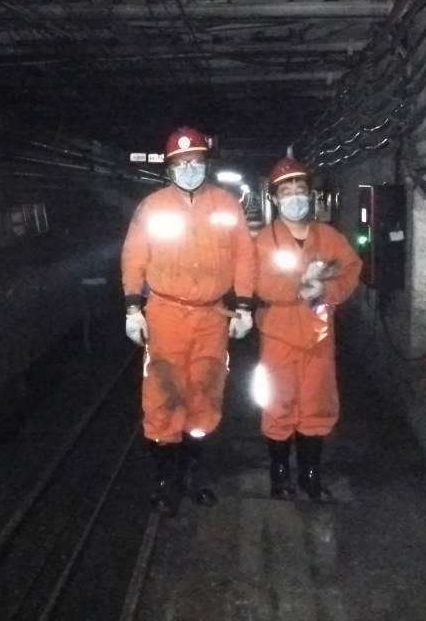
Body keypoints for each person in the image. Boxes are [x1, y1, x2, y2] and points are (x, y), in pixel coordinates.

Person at [121, 127, 257, 515]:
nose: (189, 169)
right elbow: (134, 257)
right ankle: (166, 481)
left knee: (205, 391)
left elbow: (244, 257)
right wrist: (133, 308)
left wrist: (244, 306)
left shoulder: (226, 205)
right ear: (169, 168)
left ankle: (196, 476)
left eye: (196, 161)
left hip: (212, 315)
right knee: (163, 393)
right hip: (165, 313)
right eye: (181, 163)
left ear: (206, 164)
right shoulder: (152, 207)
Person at [253, 158, 361, 501]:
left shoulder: (329, 237)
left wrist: (325, 290)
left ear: (310, 195)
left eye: (300, 190)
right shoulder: (264, 241)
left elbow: (350, 269)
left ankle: (310, 475)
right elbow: (258, 282)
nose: (295, 197)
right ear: (275, 198)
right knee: (278, 402)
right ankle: (279, 475)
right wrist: (299, 287)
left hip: (318, 334)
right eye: (286, 191)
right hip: (279, 333)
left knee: (317, 403)